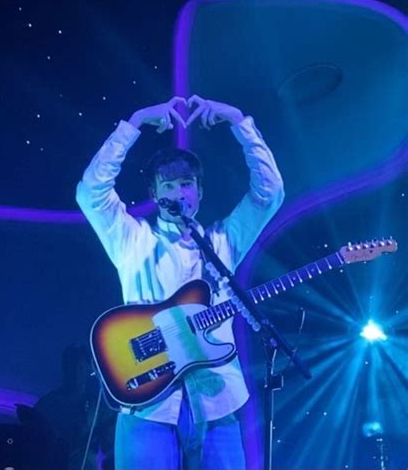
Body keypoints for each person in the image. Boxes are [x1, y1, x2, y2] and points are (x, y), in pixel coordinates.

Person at [76, 95, 284, 470]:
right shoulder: (133, 240)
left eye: (186, 183)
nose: (177, 192)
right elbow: (90, 194)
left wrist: (239, 121)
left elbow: (269, 194)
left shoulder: (222, 243)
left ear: (199, 192)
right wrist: (134, 123)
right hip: (148, 403)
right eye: (167, 185)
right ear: (154, 194)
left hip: (216, 400)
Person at [20, 344, 115, 470]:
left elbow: (110, 448)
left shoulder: (98, 406)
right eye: (71, 367)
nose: (75, 372)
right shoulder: (48, 403)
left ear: (88, 370)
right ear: (64, 368)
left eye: (80, 368)